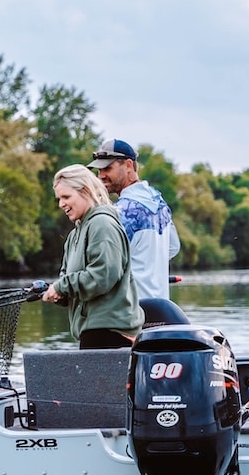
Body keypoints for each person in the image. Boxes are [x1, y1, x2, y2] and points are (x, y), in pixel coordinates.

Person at [41, 164, 144, 349]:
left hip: (110, 334)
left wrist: (62, 287)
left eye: (66, 197)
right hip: (92, 333)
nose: (61, 204)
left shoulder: (102, 224)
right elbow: (69, 280)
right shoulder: (74, 236)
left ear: (86, 191)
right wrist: (59, 294)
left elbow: (103, 275)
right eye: (59, 198)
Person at [88, 139, 180, 299]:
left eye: (107, 168)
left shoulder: (121, 211)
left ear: (129, 165)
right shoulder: (159, 202)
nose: (101, 176)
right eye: (99, 170)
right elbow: (173, 248)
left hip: (131, 313)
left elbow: (104, 264)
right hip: (160, 307)